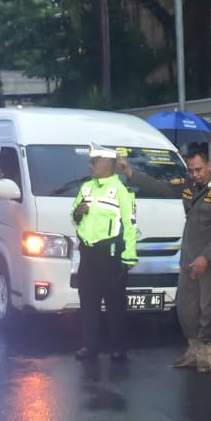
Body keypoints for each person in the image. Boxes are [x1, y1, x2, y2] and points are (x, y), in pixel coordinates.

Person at [71, 145, 140, 360]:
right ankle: (90, 346)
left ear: (108, 164)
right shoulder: (86, 188)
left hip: (111, 253)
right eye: (90, 162)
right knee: (88, 302)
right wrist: (78, 212)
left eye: (94, 161)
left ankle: (118, 347)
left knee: (115, 304)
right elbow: (73, 217)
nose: (90, 166)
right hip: (88, 253)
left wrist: (129, 255)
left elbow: (130, 224)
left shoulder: (121, 190)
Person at [173, 145, 211, 374]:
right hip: (189, 258)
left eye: (199, 169)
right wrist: (130, 173)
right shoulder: (188, 186)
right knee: (185, 306)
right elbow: (159, 185)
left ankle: (206, 351)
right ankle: (193, 348)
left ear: (209, 165)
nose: (195, 174)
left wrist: (206, 257)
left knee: (210, 307)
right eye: (191, 170)